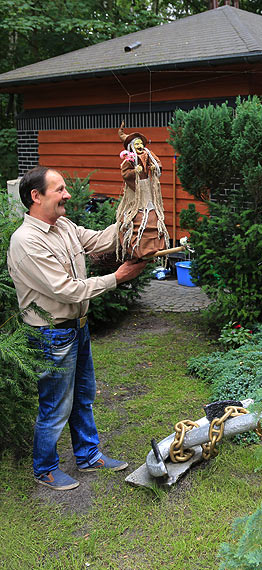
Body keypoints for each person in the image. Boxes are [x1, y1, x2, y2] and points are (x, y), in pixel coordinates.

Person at [7, 166, 148, 491]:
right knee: (55, 406)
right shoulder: (26, 242)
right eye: (60, 189)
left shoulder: (64, 226)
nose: (68, 194)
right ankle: (44, 468)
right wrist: (117, 278)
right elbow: (66, 289)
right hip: (51, 334)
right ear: (36, 196)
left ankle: (87, 455)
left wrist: (131, 189)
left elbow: (102, 239)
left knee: (83, 397)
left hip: (77, 329)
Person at [116, 123, 169, 260]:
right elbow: (125, 173)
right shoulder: (130, 159)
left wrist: (153, 168)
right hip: (136, 189)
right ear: (132, 147)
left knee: (150, 206)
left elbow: (158, 164)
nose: (139, 146)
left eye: (140, 143)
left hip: (148, 186)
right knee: (138, 208)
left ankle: (151, 224)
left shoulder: (149, 155)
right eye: (137, 144)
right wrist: (135, 171)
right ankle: (138, 226)